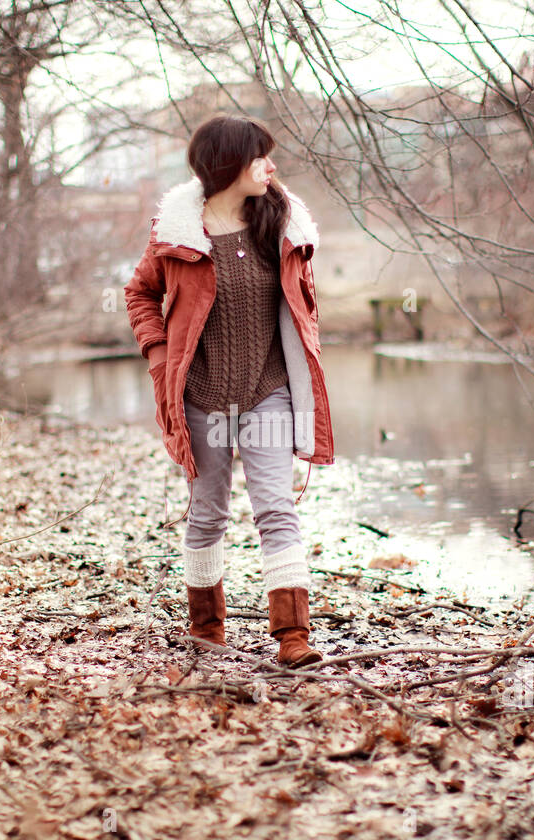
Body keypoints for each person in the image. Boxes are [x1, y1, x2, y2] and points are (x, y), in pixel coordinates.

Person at [124, 113, 335, 667]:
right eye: (259, 156)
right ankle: (207, 630)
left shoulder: (281, 224)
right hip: (199, 394)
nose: (271, 166)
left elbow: (303, 308)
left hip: (268, 389)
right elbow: (139, 295)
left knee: (275, 507)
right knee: (208, 512)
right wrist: (159, 355)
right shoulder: (175, 235)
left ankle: (293, 638)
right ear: (228, 165)